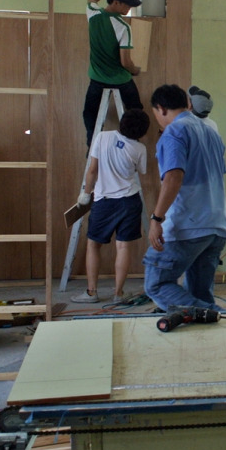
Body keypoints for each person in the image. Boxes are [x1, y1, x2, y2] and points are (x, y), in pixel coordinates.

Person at [143, 84, 226, 312]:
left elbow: (173, 177)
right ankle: (213, 324)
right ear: (188, 104)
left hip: (188, 226)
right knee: (199, 293)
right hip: (216, 225)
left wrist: (156, 218)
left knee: (157, 284)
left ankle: (215, 314)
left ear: (161, 109)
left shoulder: (174, 131)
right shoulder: (212, 133)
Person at [72, 109, 150, 304]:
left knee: (93, 245)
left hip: (104, 202)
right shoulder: (140, 149)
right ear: (142, 131)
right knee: (123, 247)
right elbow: (141, 171)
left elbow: (92, 170)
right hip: (130, 201)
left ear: (122, 122)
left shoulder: (102, 137)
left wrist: (86, 193)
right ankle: (118, 294)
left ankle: (92, 293)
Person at [83, 0, 144, 147]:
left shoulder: (93, 14)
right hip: (120, 80)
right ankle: (132, 146)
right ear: (116, 2)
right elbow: (125, 62)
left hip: (97, 79)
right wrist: (135, 70)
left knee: (90, 115)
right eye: (127, 4)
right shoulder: (123, 27)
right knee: (136, 113)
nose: (129, 8)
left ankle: (92, 147)